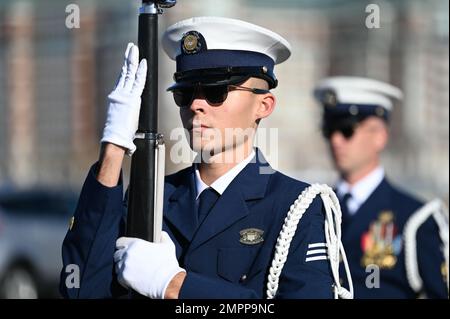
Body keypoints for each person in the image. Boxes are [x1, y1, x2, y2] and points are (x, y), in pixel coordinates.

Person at [60, 17, 337, 299]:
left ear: (263, 105)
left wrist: (175, 284)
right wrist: (114, 146)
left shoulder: (296, 208)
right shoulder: (155, 198)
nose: (195, 105)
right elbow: (81, 290)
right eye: (185, 93)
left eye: (216, 92)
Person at [313, 76, 448, 298]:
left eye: (347, 130)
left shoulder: (415, 218)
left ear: (380, 137)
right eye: (329, 130)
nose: (336, 140)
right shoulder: (315, 211)